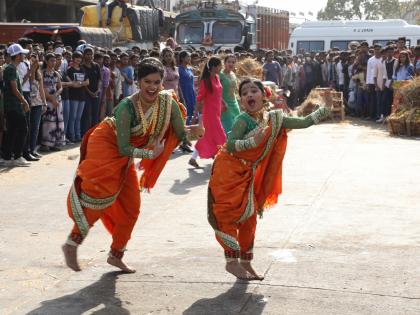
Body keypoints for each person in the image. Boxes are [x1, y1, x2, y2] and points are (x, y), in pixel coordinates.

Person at [62, 58, 204, 273]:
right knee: (100, 196)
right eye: (147, 82)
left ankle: (116, 254)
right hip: (106, 145)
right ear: (138, 82)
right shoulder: (126, 107)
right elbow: (123, 147)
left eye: (157, 82)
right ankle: (72, 243)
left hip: (128, 151)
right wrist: (149, 153)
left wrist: (198, 130)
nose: (152, 87)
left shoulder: (168, 103)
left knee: (132, 207)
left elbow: (181, 132)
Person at [208, 79, 330, 280]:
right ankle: (231, 261)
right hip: (228, 172)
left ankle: (245, 262)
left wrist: (323, 110)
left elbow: (304, 122)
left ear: (264, 96)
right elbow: (230, 145)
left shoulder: (273, 119)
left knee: (250, 218)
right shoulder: (242, 119)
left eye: (253, 91)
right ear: (241, 99)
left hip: (248, 174)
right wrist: (252, 141)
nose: (249, 95)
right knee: (227, 215)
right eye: (244, 92)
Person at [189, 57, 226, 168]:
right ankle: (222, 157)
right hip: (209, 113)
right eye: (220, 65)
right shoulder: (205, 81)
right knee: (221, 136)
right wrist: (195, 115)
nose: (221, 67)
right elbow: (199, 98)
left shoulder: (217, 77)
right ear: (214, 67)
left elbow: (219, 93)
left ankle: (193, 158)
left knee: (207, 136)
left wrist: (223, 103)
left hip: (216, 111)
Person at [0, 44, 31, 167]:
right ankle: (17, 156)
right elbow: (14, 89)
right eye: (22, 53)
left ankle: (7, 157)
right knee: (23, 129)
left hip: (12, 105)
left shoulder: (11, 68)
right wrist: (24, 101)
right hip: (13, 106)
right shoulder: (11, 69)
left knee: (12, 131)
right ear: (17, 55)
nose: (24, 55)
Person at [40, 53, 66, 151]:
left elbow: (60, 87)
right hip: (48, 101)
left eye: (55, 60)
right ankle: (46, 144)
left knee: (58, 122)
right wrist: (51, 98)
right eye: (51, 60)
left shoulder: (56, 73)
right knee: (48, 122)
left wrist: (56, 95)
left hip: (57, 101)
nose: (54, 62)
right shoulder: (42, 73)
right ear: (46, 61)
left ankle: (55, 143)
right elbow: (41, 87)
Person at [66, 51, 89, 142]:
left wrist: (79, 83)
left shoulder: (83, 69)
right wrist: (81, 83)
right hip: (73, 96)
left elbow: (87, 82)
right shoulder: (69, 70)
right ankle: (72, 136)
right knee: (73, 117)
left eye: (80, 58)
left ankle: (78, 135)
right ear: (73, 59)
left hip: (82, 96)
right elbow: (72, 84)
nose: (78, 59)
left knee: (78, 117)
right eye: (77, 57)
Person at [28, 53, 47, 157]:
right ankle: (27, 150)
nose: (34, 62)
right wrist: (32, 69)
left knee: (36, 127)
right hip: (29, 102)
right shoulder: (27, 72)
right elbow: (29, 83)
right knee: (29, 127)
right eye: (32, 60)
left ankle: (33, 149)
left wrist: (44, 103)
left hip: (38, 103)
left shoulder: (39, 73)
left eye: (36, 60)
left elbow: (41, 89)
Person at [81, 47, 102, 136]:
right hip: (86, 93)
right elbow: (83, 82)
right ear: (84, 55)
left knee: (95, 113)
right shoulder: (82, 67)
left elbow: (99, 79)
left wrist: (97, 90)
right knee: (87, 113)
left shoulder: (96, 66)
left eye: (91, 54)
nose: (89, 56)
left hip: (96, 93)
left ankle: (95, 133)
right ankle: (86, 133)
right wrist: (90, 92)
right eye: (88, 54)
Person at [219, 54, 240, 134]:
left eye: (233, 62)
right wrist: (222, 103)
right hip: (224, 105)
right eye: (229, 62)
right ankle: (226, 145)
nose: (231, 64)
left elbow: (235, 89)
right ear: (224, 63)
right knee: (228, 127)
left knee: (237, 124)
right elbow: (216, 92)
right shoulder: (220, 75)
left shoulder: (233, 74)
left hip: (234, 103)